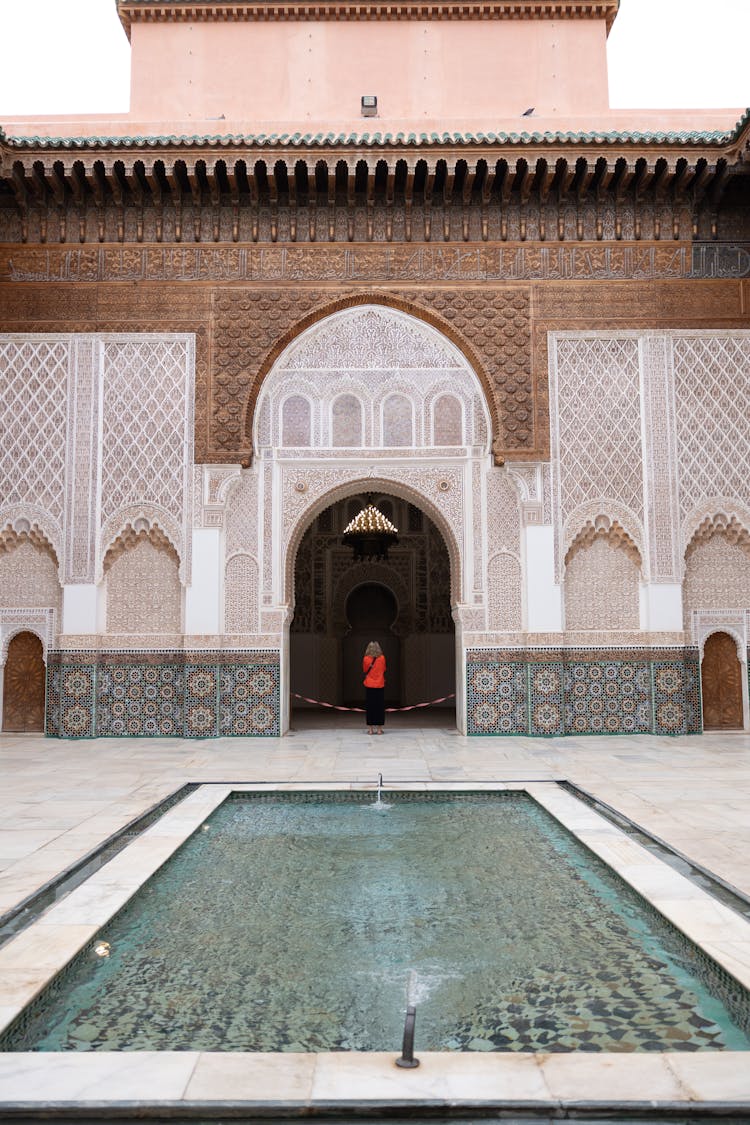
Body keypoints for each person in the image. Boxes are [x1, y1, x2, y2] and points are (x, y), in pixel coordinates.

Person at [362, 640, 386, 735]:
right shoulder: (382, 658)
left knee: (370, 707)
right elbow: (384, 669)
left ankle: (371, 730)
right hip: (380, 684)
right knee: (379, 707)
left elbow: (364, 670)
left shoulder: (365, 659)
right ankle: (379, 730)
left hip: (369, 684)